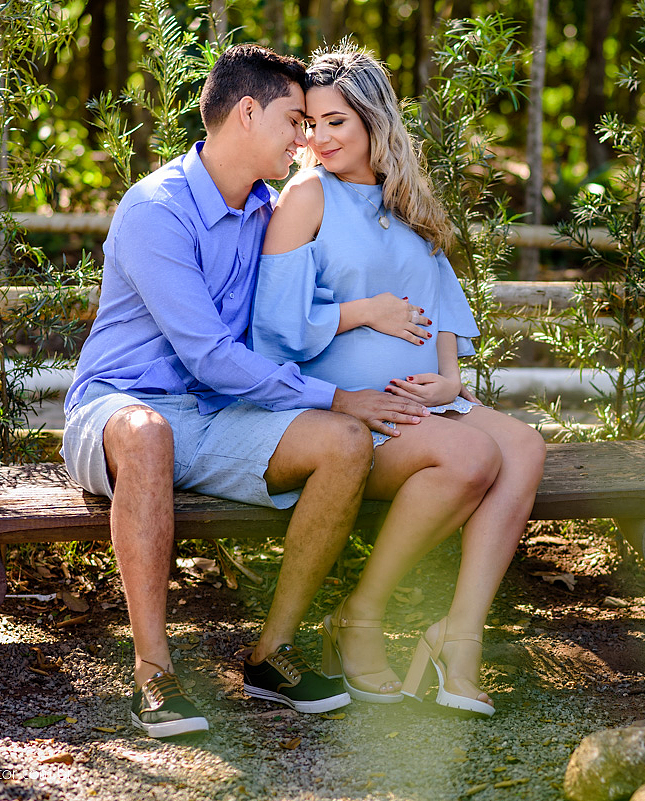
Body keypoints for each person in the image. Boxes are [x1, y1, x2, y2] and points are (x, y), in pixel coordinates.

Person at [62, 43, 431, 739]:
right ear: (248, 113)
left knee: (344, 442)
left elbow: (304, 308)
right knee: (150, 434)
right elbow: (207, 354)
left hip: (216, 416)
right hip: (119, 407)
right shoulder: (157, 209)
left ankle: (271, 656)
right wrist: (333, 394)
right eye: (295, 121)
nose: (305, 138)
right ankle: (153, 672)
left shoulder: (270, 210)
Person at [251, 42, 546, 718]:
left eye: (336, 123)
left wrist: (450, 379)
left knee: (525, 446)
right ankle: (361, 616)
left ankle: (460, 637)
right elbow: (275, 325)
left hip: (422, 403)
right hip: (345, 414)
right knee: (471, 456)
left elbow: (439, 299)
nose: (319, 139)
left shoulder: (405, 198)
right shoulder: (307, 196)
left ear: (374, 121)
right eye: (310, 124)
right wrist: (365, 312)